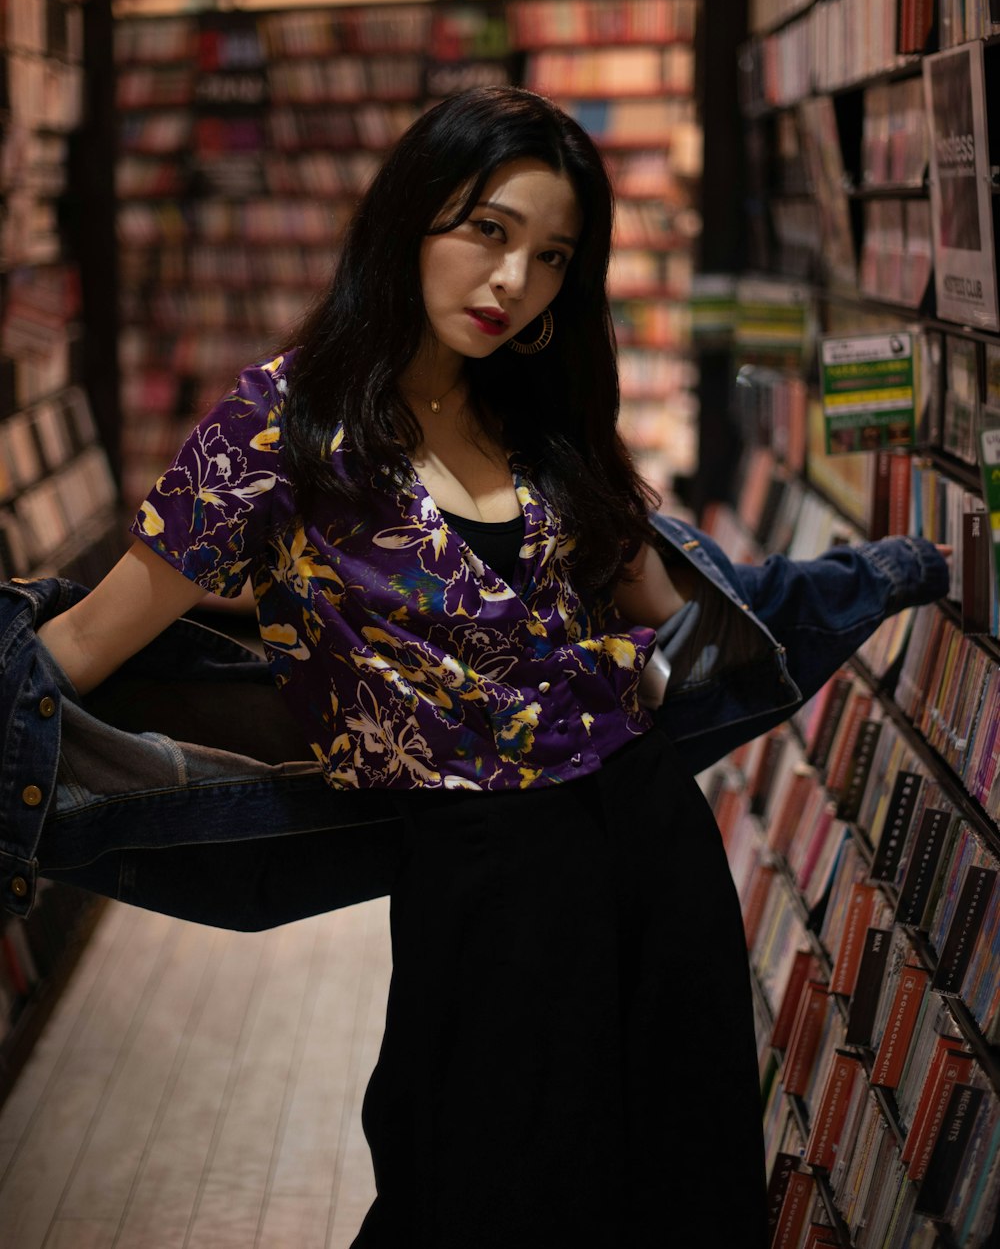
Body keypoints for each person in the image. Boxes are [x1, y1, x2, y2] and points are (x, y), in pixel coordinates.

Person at [32, 86, 949, 1248]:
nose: (512, 280)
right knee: (471, 1182)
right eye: (487, 229)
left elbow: (684, 623)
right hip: (478, 871)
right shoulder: (281, 423)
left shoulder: (536, 417)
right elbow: (86, 640)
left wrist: (887, 570)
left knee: (675, 1168)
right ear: (410, 217)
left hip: (649, 838)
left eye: (552, 255)